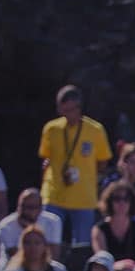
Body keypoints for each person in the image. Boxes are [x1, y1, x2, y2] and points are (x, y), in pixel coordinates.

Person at [37, 86, 112, 246]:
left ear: (79, 108)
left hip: (83, 197)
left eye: (71, 110)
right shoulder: (51, 129)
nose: (68, 114)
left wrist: (85, 172)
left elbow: (103, 161)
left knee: (82, 244)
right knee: (45, 240)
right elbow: (45, 158)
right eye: (63, 110)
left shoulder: (95, 130)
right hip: (54, 195)